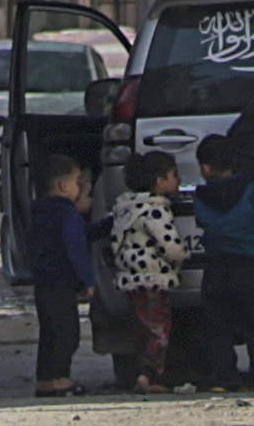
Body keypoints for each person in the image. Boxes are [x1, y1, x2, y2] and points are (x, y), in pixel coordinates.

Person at [185, 136, 254, 386]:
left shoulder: (202, 197)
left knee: (217, 327)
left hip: (216, 267)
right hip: (250, 267)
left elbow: (204, 223)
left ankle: (224, 378)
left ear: (205, 168)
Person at [98, 152, 194, 390]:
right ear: (160, 182)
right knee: (159, 332)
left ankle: (142, 373)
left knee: (142, 331)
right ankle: (147, 376)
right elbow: (168, 244)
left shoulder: (125, 208)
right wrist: (184, 254)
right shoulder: (155, 210)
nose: (179, 181)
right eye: (174, 175)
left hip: (132, 280)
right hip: (154, 278)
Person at [28, 153, 96, 394]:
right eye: (77, 182)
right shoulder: (68, 214)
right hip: (62, 283)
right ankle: (61, 379)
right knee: (67, 334)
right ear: (62, 185)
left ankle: (45, 379)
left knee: (49, 333)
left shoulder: (39, 211)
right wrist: (88, 281)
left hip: (43, 283)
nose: (80, 188)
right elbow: (75, 248)